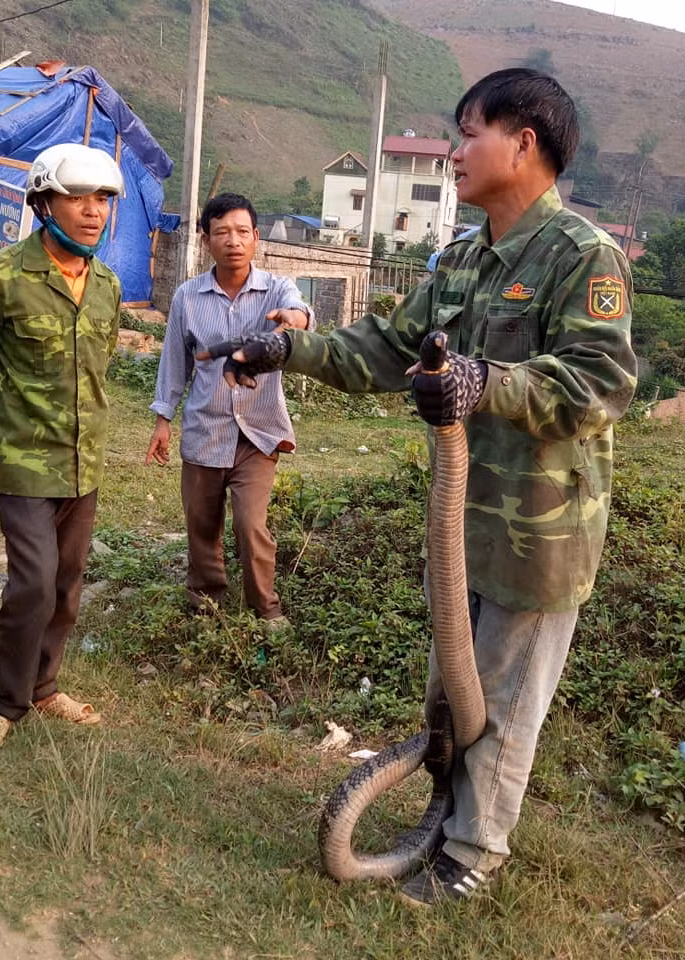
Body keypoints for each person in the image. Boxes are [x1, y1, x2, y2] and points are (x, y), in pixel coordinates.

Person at [199, 69, 638, 905]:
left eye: (469, 133)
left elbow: (598, 385)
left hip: (538, 532)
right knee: (452, 694)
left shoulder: (583, 256)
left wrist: (482, 381)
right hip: (460, 526)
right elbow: (383, 347)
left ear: (524, 143)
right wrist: (287, 349)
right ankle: (442, 818)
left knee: (501, 703)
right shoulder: (463, 260)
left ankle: (473, 852)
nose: (453, 151)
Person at [0, 143, 125, 752]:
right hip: (22, 460)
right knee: (34, 583)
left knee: (68, 585)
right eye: (78, 198)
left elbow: (99, 369)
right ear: (44, 204)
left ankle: (44, 687)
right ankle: (5, 701)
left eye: (102, 199)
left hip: (84, 461)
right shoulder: (4, 278)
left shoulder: (107, 285)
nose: (93, 211)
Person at [146, 193, 314, 626]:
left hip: (258, 433)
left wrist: (293, 320)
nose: (233, 241)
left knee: (250, 525)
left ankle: (266, 610)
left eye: (241, 232)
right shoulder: (187, 297)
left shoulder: (276, 288)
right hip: (205, 431)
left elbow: (301, 311)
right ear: (206, 240)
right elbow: (174, 362)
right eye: (221, 232)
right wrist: (163, 419)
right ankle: (206, 608)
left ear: (256, 237)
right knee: (202, 527)